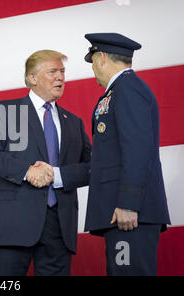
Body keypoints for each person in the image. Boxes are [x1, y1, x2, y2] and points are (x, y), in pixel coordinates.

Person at [0, 50, 91, 276]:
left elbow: (94, 168)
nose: (60, 77)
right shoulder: (6, 111)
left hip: (59, 229)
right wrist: (26, 171)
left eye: (63, 72)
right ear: (32, 78)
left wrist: (58, 176)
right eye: (52, 72)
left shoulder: (74, 122)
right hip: (10, 226)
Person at [83, 33, 171, 275]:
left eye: (92, 63)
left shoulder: (128, 89)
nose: (93, 71)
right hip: (124, 212)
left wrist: (128, 204)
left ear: (100, 58)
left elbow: (138, 149)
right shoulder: (123, 89)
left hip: (130, 214)